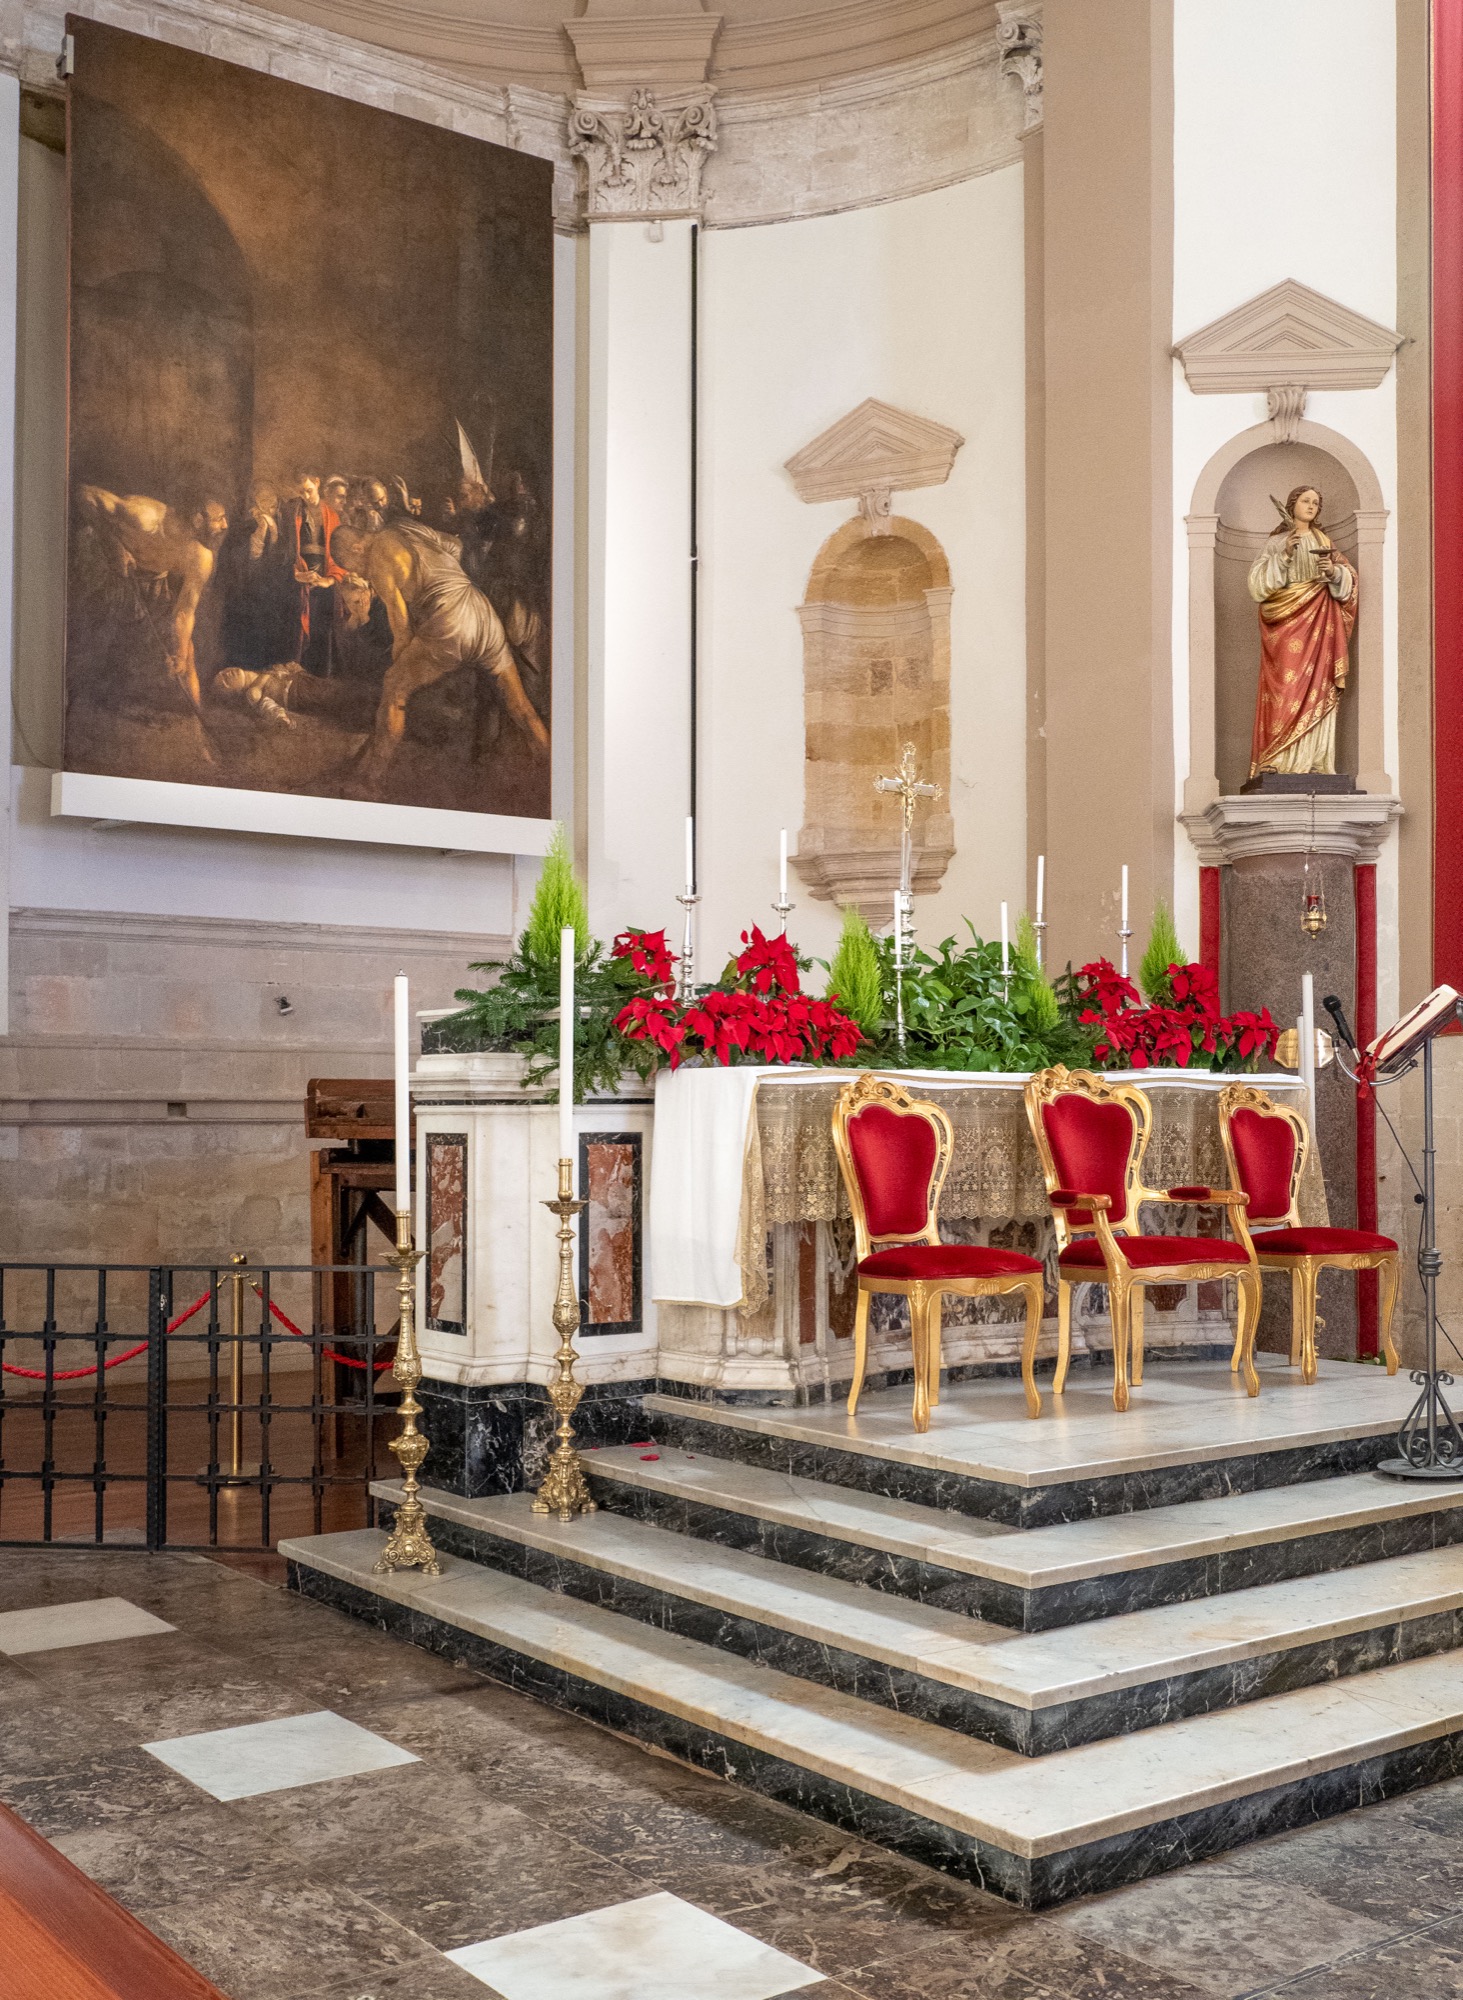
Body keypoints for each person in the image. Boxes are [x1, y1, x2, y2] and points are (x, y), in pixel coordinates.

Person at [73, 485, 228, 708]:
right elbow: (84, 493)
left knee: (187, 653)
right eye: (219, 519)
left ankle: (196, 717)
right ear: (197, 519)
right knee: (92, 641)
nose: (225, 525)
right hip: (110, 575)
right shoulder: (144, 518)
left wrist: (180, 654)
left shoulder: (200, 557)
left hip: (153, 585)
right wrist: (112, 543)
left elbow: (185, 611)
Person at [1247, 485, 1356, 777]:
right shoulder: (1277, 542)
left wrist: (1334, 573)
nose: (1311, 506)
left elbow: (1349, 580)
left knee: (1319, 686)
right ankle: (1277, 759)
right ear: (1292, 504)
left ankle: (1316, 761)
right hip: (1285, 624)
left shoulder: (1324, 541)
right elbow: (1257, 585)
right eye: (1306, 501)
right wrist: (1283, 556)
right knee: (1286, 685)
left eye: (1316, 503)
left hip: (1320, 623)